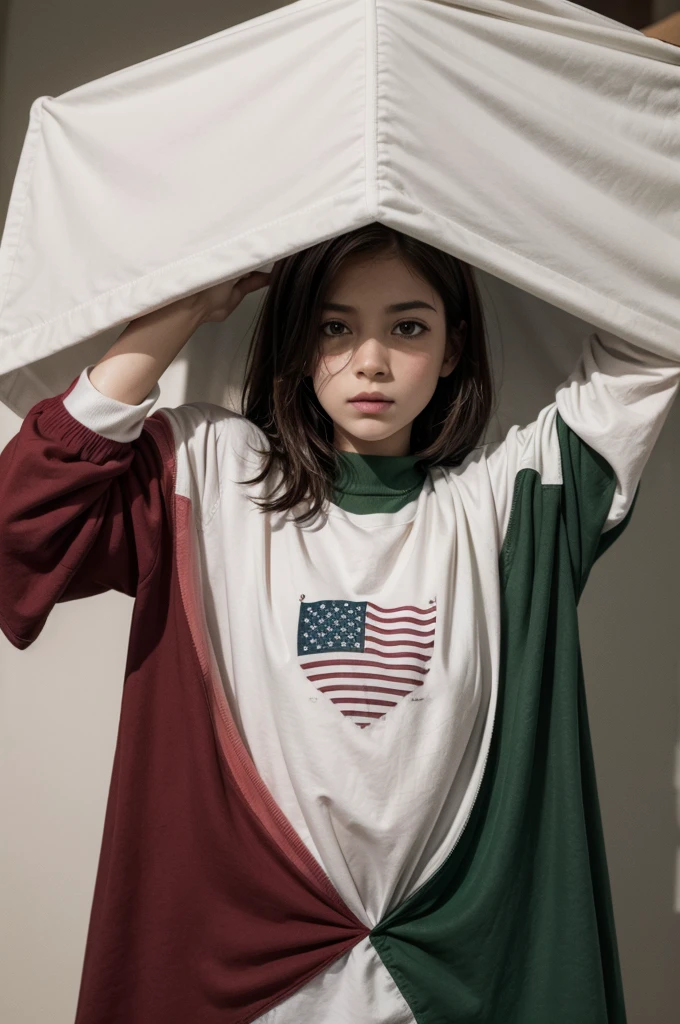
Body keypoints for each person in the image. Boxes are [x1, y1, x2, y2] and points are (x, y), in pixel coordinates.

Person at [0, 222, 677, 1024]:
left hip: (461, 975)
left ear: (454, 347)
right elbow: (20, 524)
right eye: (334, 327)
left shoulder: (512, 502)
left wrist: (484, 212)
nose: (371, 361)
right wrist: (177, 307)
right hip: (235, 970)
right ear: (296, 340)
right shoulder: (209, 469)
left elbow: (656, 328)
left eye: (409, 327)